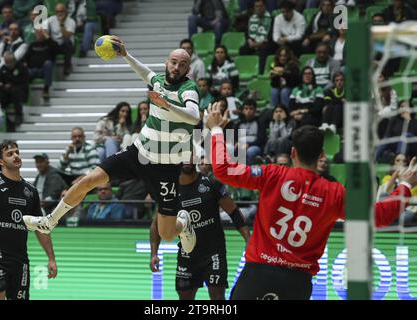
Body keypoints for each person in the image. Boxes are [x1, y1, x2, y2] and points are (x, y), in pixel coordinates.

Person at [206, 101, 417, 300]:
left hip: (259, 273)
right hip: (296, 282)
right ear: (322, 155)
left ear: (292, 153)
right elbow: (380, 216)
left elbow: (223, 170)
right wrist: (406, 186)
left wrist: (216, 131)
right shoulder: (334, 193)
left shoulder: (272, 174)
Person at [23, 36, 200, 254]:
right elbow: (145, 72)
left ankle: (183, 223)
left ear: (187, 69)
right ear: (166, 62)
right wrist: (125, 55)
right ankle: (49, 221)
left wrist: (167, 104)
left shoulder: (188, 88)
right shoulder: (158, 80)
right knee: (89, 180)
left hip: (166, 165)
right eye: (173, 62)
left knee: (167, 234)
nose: (176, 67)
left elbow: (193, 117)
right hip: (139, 153)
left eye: (182, 64)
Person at [149, 161, 250, 300]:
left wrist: (248, 240)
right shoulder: (169, 190)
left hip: (214, 252)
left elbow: (234, 212)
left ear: (194, 157)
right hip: (187, 255)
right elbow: (156, 225)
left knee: (217, 297)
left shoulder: (211, 183)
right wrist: (154, 254)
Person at [0, 140, 57, 300]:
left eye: (17, 152)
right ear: (0, 161)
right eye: (10, 154)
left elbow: (40, 227)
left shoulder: (30, 191)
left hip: (20, 259)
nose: (16, 156)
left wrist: (51, 258)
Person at [0, 52, 29, 130]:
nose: (8, 64)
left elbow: (24, 82)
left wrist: (11, 84)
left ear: (14, 60)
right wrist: (1, 84)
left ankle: (19, 115)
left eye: (10, 62)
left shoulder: (21, 67)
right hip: (7, 92)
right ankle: (2, 116)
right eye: (6, 62)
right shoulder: (3, 68)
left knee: (15, 91)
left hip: (20, 90)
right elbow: (1, 80)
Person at [238, 0, 273, 74]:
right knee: (243, 49)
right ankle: (245, 71)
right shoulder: (251, 18)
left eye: (260, 6)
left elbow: (271, 35)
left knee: (264, 49)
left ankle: (261, 72)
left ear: (264, 7)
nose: (259, 8)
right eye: (256, 6)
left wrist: (259, 43)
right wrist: (249, 40)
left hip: (265, 43)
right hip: (253, 42)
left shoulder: (271, 18)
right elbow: (247, 32)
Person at [45, 3, 76, 76]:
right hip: (55, 45)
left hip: (67, 46)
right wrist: (47, 35)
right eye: (57, 12)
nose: (59, 13)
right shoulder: (51, 19)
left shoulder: (71, 21)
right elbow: (43, 29)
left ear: (66, 12)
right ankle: (50, 70)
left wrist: (61, 24)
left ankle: (67, 67)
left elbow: (66, 36)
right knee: (47, 43)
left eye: (61, 11)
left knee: (67, 42)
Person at [25, 29, 57, 99]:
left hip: (44, 71)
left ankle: (46, 89)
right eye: (37, 32)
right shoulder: (32, 45)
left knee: (48, 63)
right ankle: (25, 95)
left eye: (41, 32)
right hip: (32, 70)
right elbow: (25, 59)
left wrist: (48, 38)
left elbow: (57, 49)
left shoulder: (50, 44)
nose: (39, 34)